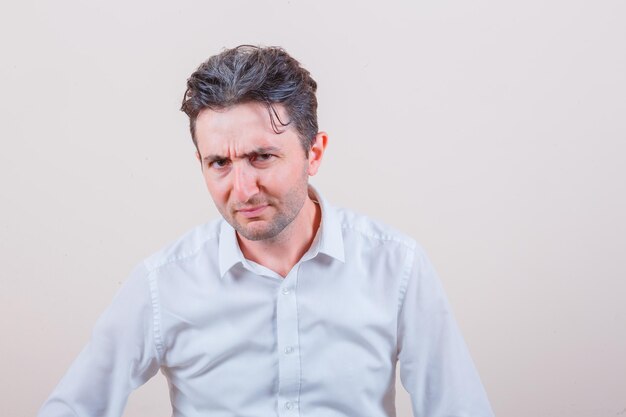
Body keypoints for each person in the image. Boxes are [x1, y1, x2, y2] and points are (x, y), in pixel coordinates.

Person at [38, 45, 494, 417]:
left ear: (314, 152)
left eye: (262, 157)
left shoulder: (397, 266)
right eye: (219, 163)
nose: (242, 189)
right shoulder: (163, 283)